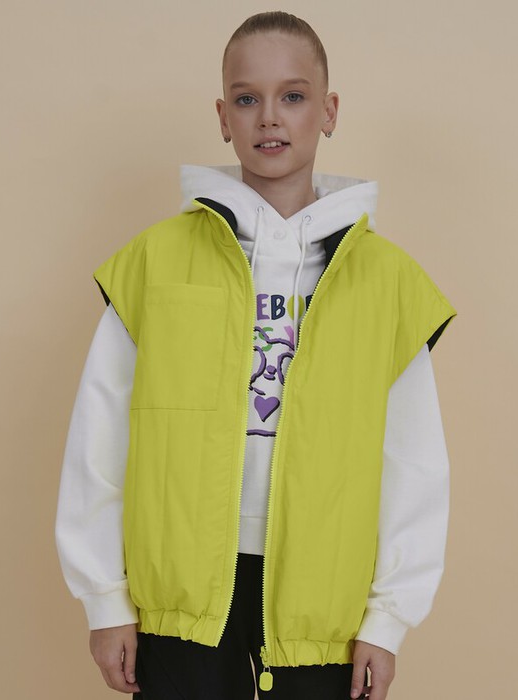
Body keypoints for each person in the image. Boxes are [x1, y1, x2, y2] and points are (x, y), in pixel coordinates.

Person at [55, 11, 456, 700]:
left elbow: (414, 463)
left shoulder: (388, 283)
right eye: (247, 98)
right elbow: (100, 433)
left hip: (320, 602)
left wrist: (387, 619)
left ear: (328, 111)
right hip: (179, 595)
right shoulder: (156, 261)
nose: (269, 116)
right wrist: (105, 599)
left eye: (292, 96)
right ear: (223, 117)